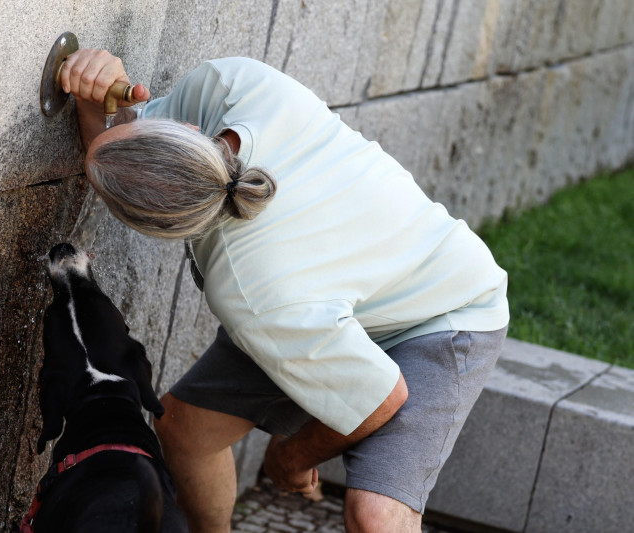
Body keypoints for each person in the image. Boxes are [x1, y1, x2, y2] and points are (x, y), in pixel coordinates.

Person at [58, 48, 509, 533]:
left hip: (443, 309)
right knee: (186, 433)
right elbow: (121, 152)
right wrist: (96, 97)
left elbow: (382, 398)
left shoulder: (253, 291)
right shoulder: (238, 92)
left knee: (376, 517)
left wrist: (290, 458)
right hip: (318, 298)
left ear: (167, 230)